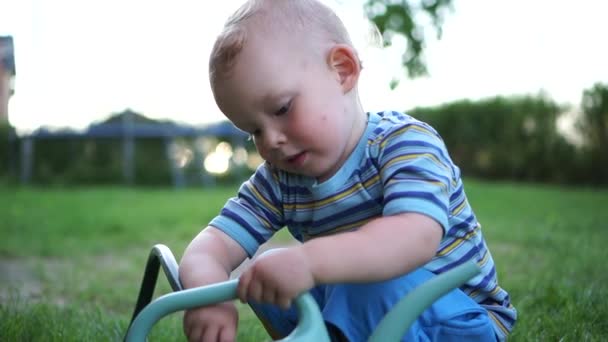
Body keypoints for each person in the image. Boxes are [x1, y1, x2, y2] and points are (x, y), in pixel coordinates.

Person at [179, 0, 517, 341]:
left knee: (357, 284)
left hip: (459, 318)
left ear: (342, 70)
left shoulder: (404, 143)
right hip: (370, 305)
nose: (271, 141)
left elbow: (415, 237)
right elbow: (211, 245)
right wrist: (208, 296)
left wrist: (310, 262)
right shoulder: (280, 179)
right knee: (267, 273)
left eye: (282, 108)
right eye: (254, 130)